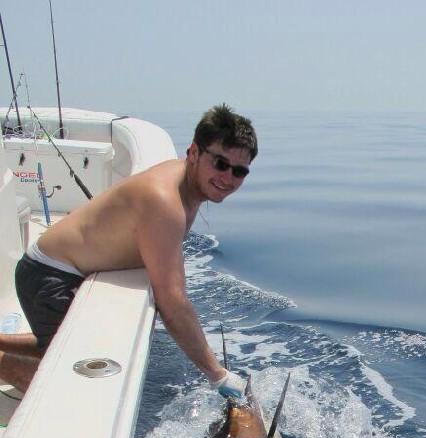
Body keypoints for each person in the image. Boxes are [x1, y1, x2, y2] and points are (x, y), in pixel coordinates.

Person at [0, 104, 257, 398]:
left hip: (53, 267)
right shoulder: (165, 201)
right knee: (74, 387)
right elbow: (172, 303)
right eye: (221, 164)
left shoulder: (186, 184)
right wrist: (217, 375)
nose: (228, 178)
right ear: (194, 152)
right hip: (50, 276)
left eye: (239, 171)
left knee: (58, 343)